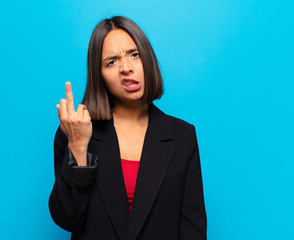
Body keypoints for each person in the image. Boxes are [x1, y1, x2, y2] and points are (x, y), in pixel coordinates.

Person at [49, 16, 207, 240]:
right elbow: (66, 219)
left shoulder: (182, 136)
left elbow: (193, 228)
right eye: (111, 62)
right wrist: (77, 146)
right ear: (99, 75)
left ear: (148, 59)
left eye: (135, 55)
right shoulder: (75, 133)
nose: (125, 68)